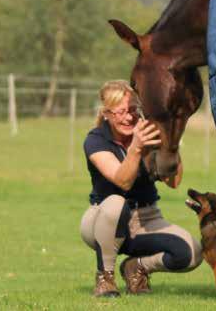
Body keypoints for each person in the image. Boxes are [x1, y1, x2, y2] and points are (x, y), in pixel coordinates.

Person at [79, 80, 202, 297]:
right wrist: (136, 147)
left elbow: (173, 182)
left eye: (133, 111)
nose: (128, 117)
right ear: (106, 113)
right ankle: (105, 278)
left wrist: (169, 143)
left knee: (192, 253)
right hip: (103, 220)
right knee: (117, 203)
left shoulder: (149, 135)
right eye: (121, 112)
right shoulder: (95, 140)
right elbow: (123, 181)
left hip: (147, 219)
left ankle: (137, 267)